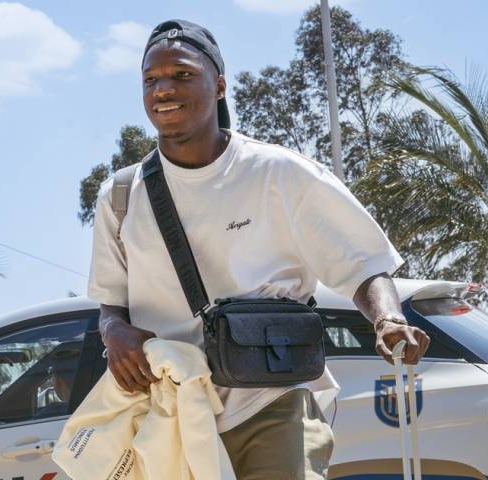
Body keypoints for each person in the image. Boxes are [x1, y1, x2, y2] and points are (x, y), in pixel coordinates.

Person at [87, 19, 431, 479]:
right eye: (152, 79)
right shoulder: (121, 195)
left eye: (182, 75)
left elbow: (363, 263)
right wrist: (114, 333)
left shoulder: (278, 174)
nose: (163, 89)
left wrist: (388, 320)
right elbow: (111, 302)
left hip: (271, 400)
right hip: (171, 411)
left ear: (220, 85)